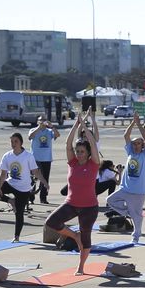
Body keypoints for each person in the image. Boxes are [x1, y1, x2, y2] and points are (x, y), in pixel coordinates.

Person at [45, 111, 101, 275]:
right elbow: (67, 145)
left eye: (82, 151)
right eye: (77, 151)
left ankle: (81, 266)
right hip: (71, 204)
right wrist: (75, 125)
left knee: (86, 238)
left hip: (89, 208)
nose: (78, 153)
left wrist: (85, 126)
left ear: (88, 153)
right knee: (52, 222)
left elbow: (93, 143)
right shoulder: (72, 163)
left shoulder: (94, 164)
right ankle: (73, 236)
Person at [0, 132, 43, 242]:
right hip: (11, 183)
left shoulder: (28, 156)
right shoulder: (7, 156)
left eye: (16, 141)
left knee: (19, 213)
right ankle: (11, 201)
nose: (13, 143)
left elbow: (35, 171)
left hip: (23, 189)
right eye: (12, 141)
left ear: (21, 142)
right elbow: (3, 173)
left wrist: (44, 182)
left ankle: (17, 236)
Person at [105, 115, 145, 245]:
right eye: (134, 143)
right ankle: (128, 213)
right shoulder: (130, 153)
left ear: (142, 145)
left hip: (138, 191)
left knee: (137, 218)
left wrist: (139, 125)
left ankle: (136, 235)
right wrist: (133, 122)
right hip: (125, 189)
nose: (136, 145)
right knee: (110, 200)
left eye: (138, 143)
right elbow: (126, 136)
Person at [28, 117, 59, 204]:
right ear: (37, 122)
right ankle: (30, 198)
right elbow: (30, 137)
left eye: (44, 120)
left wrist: (52, 126)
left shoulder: (49, 132)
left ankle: (43, 198)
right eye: (40, 121)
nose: (42, 122)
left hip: (46, 159)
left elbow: (57, 135)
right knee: (33, 179)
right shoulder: (33, 130)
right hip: (35, 158)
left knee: (45, 179)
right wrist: (39, 127)